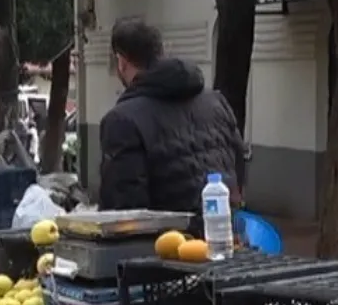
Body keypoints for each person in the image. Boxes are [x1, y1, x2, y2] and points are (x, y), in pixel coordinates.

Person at [100, 17, 244, 213]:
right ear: (160, 52)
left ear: (121, 61)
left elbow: (125, 210)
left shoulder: (122, 121)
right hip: (224, 234)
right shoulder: (217, 102)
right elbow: (238, 167)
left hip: (166, 241)